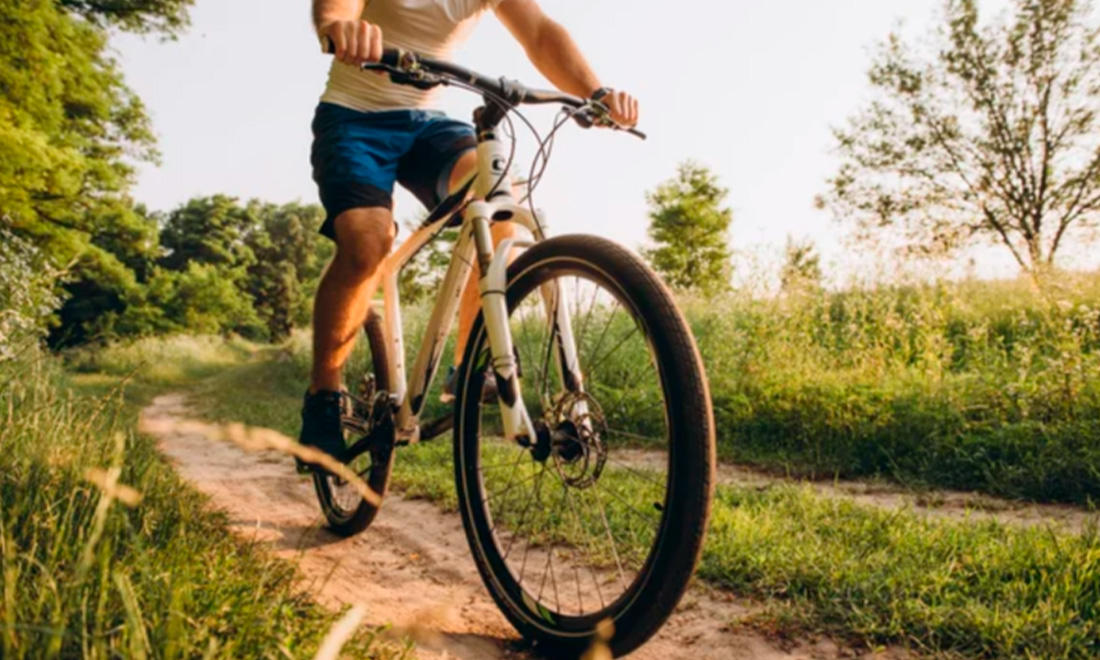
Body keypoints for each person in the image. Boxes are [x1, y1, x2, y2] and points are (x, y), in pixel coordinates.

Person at [299, 0, 639, 470]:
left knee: (499, 196)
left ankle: (468, 365)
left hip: (427, 123)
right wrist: (338, 26)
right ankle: (324, 396)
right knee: (366, 245)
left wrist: (596, 92)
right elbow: (338, 6)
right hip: (353, 118)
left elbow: (539, 33)